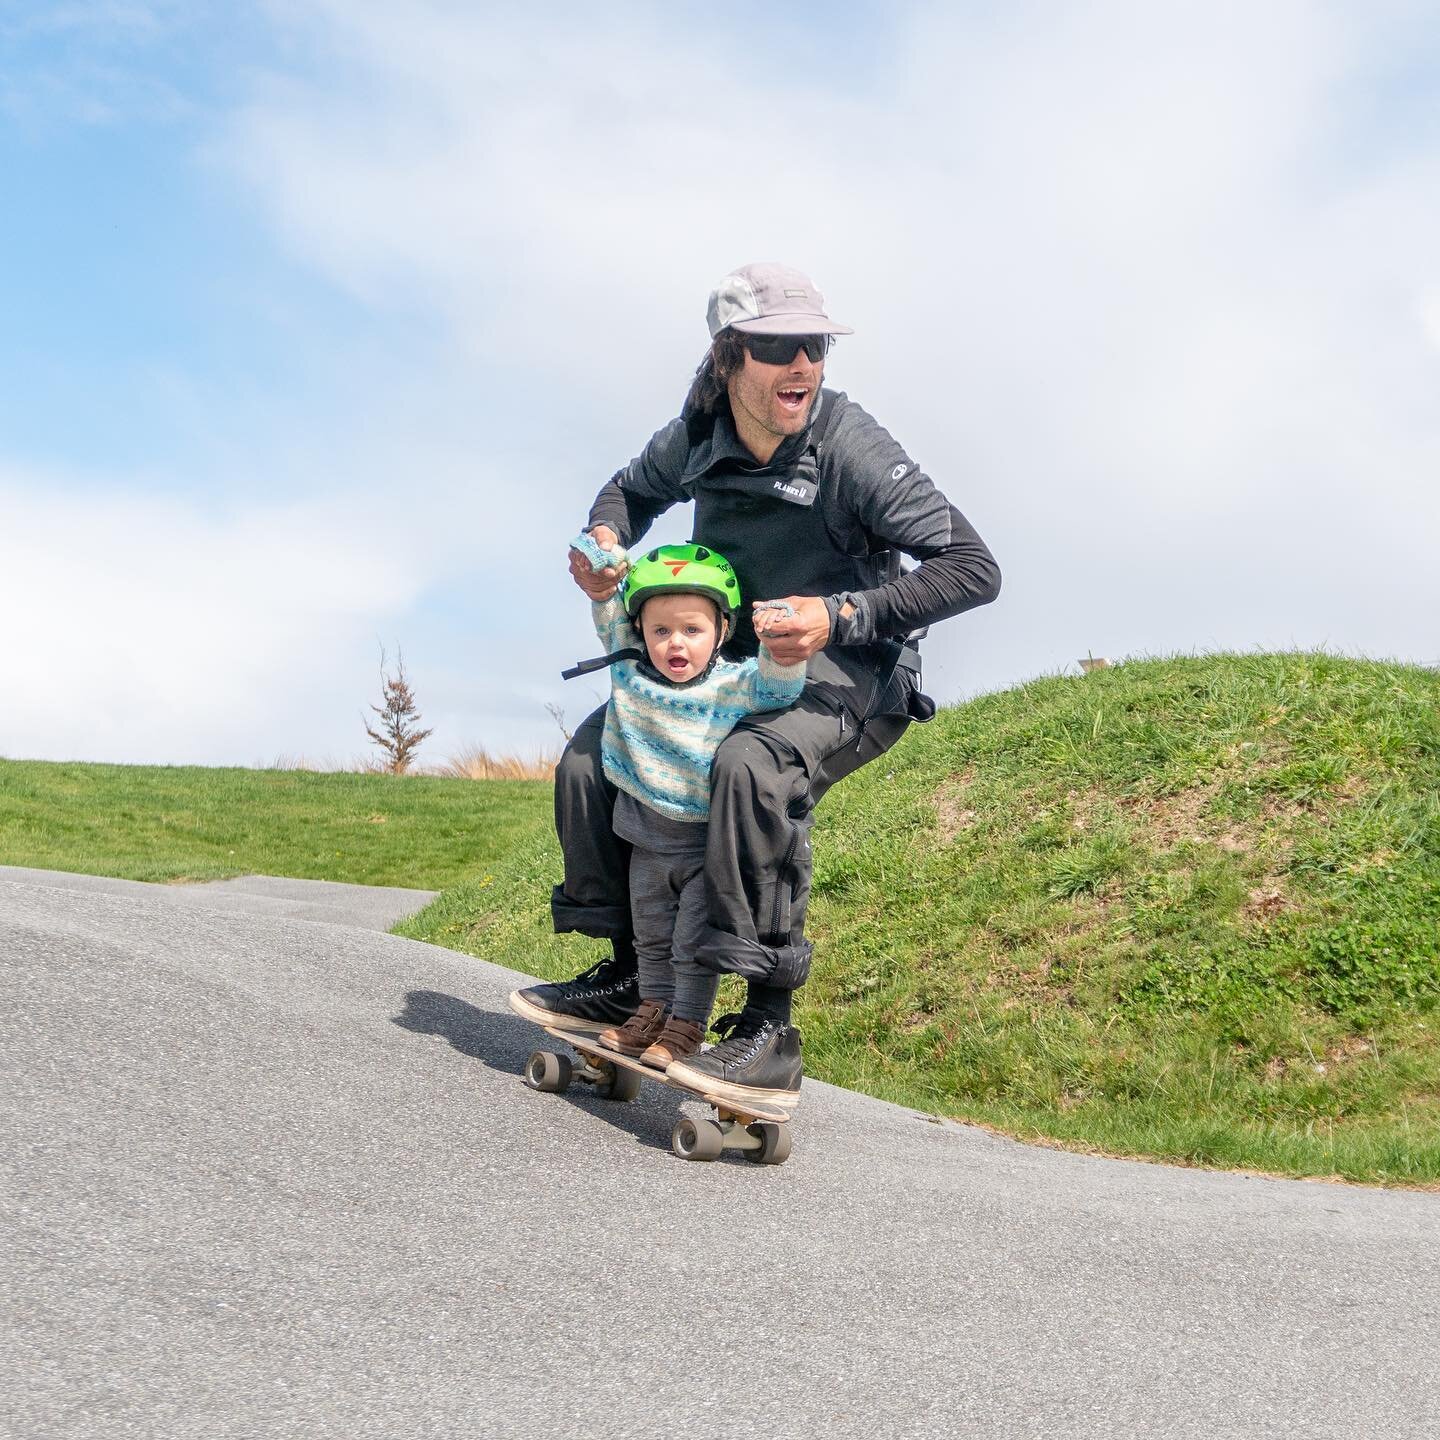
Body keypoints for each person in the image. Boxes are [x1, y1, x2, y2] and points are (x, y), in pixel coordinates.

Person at [514, 262, 1001, 1113]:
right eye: (778, 348)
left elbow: (973, 569)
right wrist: (603, 543)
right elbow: (628, 492)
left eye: (813, 346)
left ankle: (767, 1029)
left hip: (848, 673)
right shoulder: (700, 431)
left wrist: (841, 615)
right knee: (592, 758)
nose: (803, 366)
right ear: (729, 359)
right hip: (725, 669)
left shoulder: (850, 447)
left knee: (750, 769)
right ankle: (635, 977)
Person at [510, 543, 806, 1076]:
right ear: (641, 632)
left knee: (691, 943)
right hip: (645, 841)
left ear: (720, 631)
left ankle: (687, 1026)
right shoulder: (631, 673)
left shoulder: (730, 685)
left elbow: (776, 688)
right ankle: (651, 1011)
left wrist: (782, 648)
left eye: (692, 630)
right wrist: (603, 583)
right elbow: (608, 619)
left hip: (699, 850)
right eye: (660, 630)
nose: (675, 643)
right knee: (650, 938)